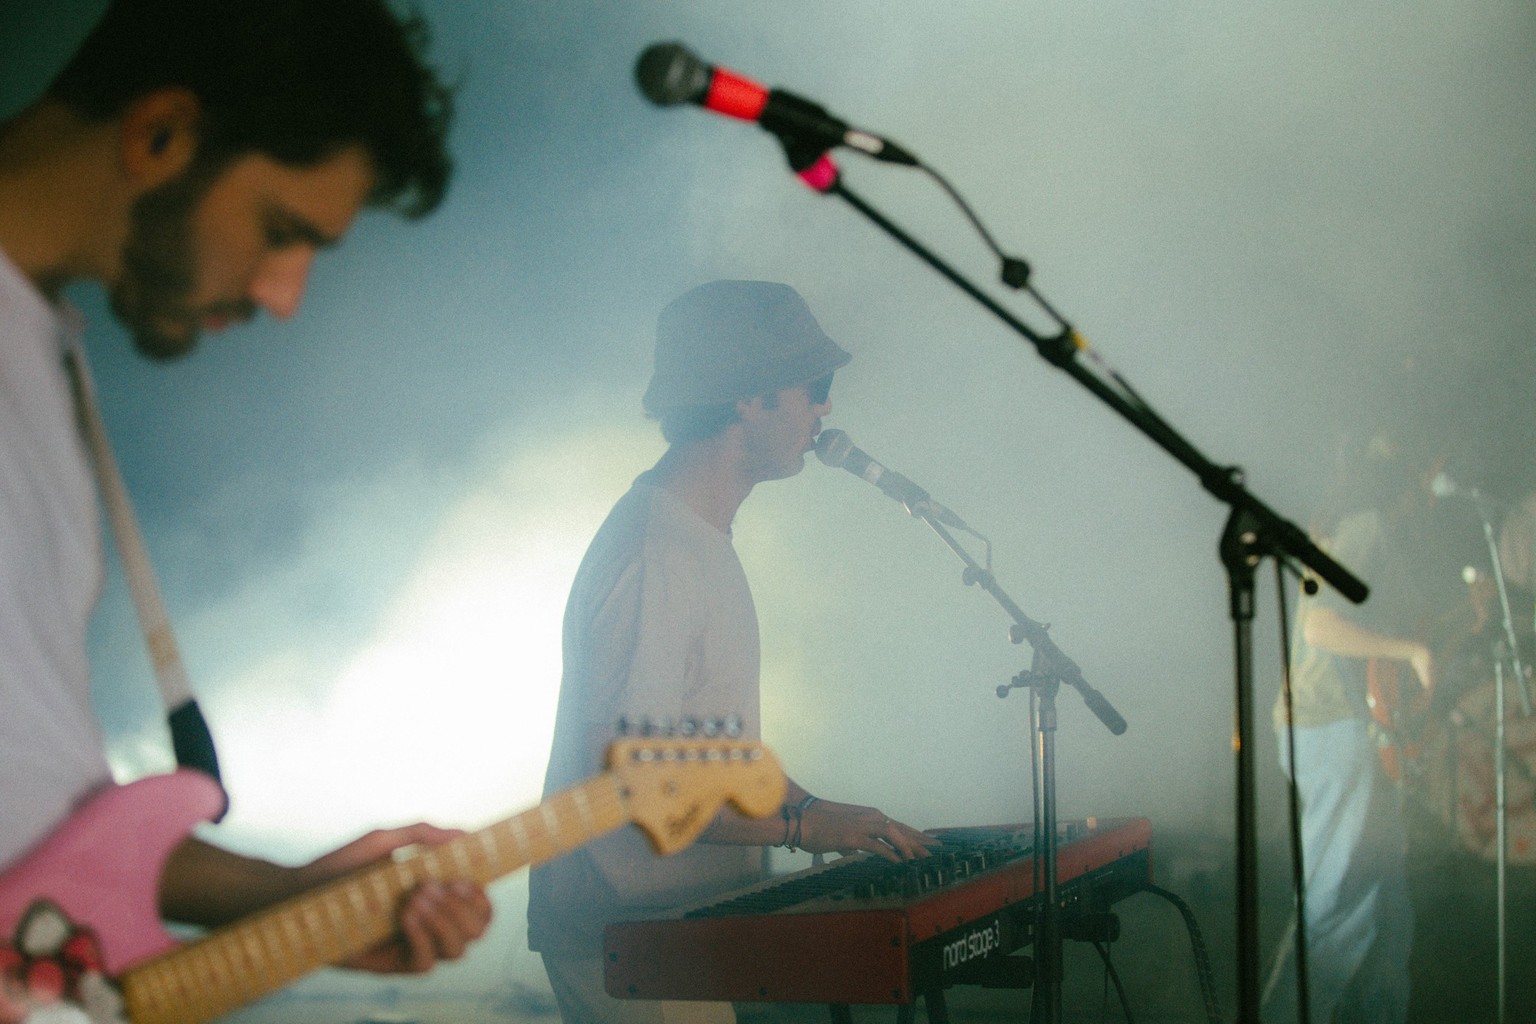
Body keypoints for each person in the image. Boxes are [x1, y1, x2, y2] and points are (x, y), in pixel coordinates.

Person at [0, 0, 488, 981]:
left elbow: (33, 815)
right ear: (160, 132)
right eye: (279, 230)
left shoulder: (52, 371)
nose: (284, 294)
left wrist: (298, 904)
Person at [527, 279, 938, 1023]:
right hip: (628, 941)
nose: (826, 407)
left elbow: (694, 756)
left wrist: (810, 806)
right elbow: (622, 777)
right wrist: (799, 830)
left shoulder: (694, 538)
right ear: (749, 398)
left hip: (674, 932)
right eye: (815, 385)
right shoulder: (659, 552)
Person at [1266, 434, 1466, 1024]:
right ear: (1418, 470)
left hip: (1344, 730)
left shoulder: (1360, 528)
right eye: (1435, 469)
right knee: (1337, 907)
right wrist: (1408, 649)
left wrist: (1450, 629)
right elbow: (1321, 629)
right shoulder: (1363, 529)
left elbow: (1385, 650)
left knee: (1387, 912)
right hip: (1332, 730)